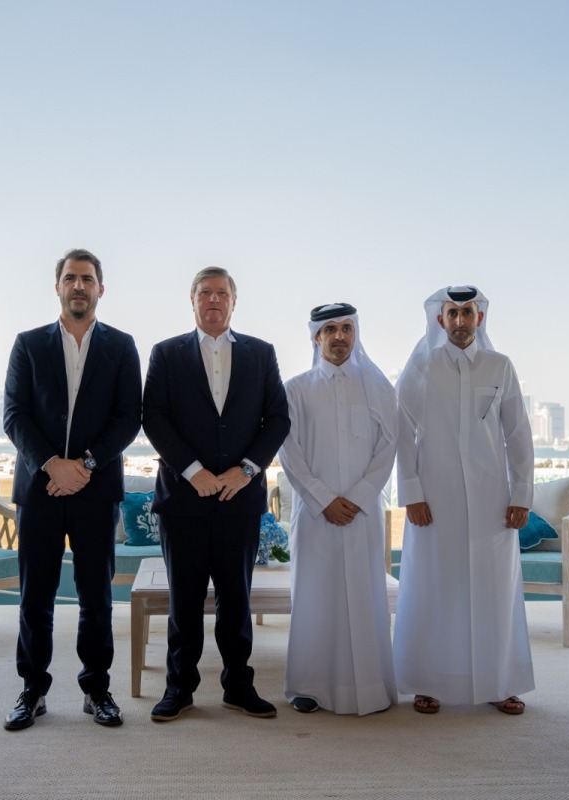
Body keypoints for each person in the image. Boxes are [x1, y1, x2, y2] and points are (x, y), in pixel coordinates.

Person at [142, 266, 291, 722]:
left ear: (233, 302)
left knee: (235, 600)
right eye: (204, 292)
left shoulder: (261, 354)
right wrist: (194, 472)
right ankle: (179, 688)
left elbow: (277, 419)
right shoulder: (166, 354)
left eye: (221, 293)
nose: (213, 299)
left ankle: (238, 687)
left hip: (240, 499)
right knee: (184, 602)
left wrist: (245, 471)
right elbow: (155, 417)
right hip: (183, 500)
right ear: (192, 301)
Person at [2, 248, 142, 730]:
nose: (78, 286)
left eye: (87, 279)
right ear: (57, 287)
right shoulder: (28, 344)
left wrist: (82, 464)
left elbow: (129, 417)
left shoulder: (122, 346)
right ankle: (32, 690)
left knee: (95, 596)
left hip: (96, 488)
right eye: (70, 278)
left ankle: (97, 689)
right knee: (34, 596)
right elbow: (14, 415)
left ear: (101, 289)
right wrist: (50, 465)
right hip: (39, 489)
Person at [394, 285, 535, 716]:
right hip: (434, 502)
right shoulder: (421, 366)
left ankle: (500, 682)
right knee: (434, 588)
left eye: (467, 313)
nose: (459, 321)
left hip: (494, 503)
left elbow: (518, 435)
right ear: (440, 320)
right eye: (452, 314)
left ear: (480, 318)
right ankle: (426, 683)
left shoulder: (501, 366)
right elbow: (402, 432)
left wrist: (522, 495)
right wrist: (412, 493)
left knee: (495, 592)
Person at [278, 303, 398, 715]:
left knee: (365, 598)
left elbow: (389, 447)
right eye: (330, 329)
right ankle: (309, 687)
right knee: (315, 597)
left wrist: (361, 495)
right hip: (316, 515)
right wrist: (323, 499)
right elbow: (289, 452)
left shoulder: (378, 387)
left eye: (347, 328)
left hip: (362, 514)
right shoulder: (296, 388)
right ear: (316, 337)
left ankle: (369, 686)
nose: (340, 336)